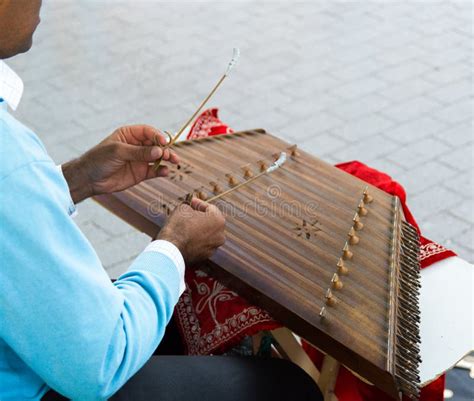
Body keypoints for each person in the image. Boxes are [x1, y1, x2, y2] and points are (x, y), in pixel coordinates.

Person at [0, 1, 324, 400]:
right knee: (287, 388)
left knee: (174, 322)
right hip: (35, 383)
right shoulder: (8, 157)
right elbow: (100, 363)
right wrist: (175, 248)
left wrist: (77, 178)